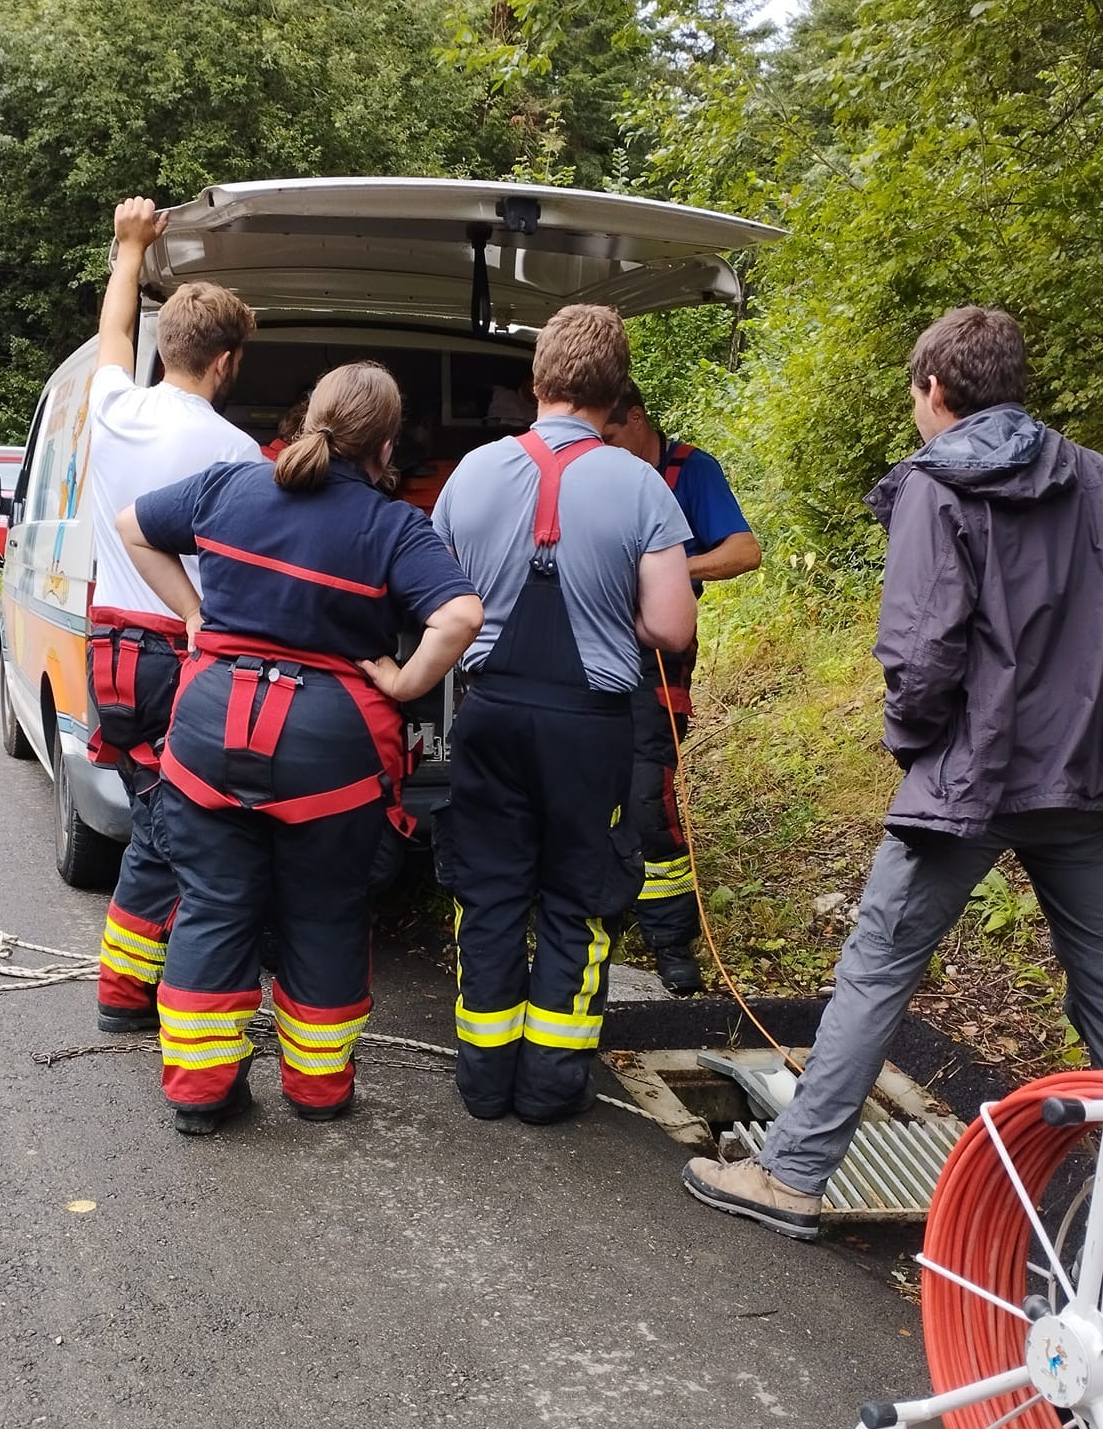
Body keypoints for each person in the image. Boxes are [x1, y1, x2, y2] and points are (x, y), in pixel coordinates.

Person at [684, 306, 1103, 1243]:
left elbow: (920, 651)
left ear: (934, 389)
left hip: (972, 781)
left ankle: (791, 1173)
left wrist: (920, 745)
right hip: (1088, 777)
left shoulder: (937, 487)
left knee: (877, 971)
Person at [114, 363, 482, 1136]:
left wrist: (194, 616)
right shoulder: (392, 527)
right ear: (386, 445)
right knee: (323, 913)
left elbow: (131, 528)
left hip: (210, 733)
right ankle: (318, 1093)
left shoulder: (230, 487)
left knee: (214, 906)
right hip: (330, 751)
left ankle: (199, 1095)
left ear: (310, 418)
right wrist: (404, 679)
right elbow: (458, 616)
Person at [430, 305, 698, 1125]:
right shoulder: (639, 482)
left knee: (489, 889)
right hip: (590, 725)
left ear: (537, 381)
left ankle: (484, 1081)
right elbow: (670, 628)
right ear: (615, 395)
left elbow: (438, 603)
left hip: (491, 714)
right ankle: (550, 1087)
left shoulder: (470, 474)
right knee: (579, 897)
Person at [84, 196, 260, 1032]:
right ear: (224, 361)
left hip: (109, 652)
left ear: (168, 348)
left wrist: (129, 249)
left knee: (155, 821)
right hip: (180, 659)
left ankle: (125, 992)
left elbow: (114, 333)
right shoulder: (234, 454)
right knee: (187, 836)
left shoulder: (115, 408)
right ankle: (164, 995)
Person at [604, 380, 761, 993]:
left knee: (650, 796)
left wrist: (673, 568)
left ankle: (670, 938)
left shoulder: (690, 470)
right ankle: (600, 917)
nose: (606, 446)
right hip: (591, 652)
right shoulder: (596, 469)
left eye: (614, 434)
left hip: (657, 660)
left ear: (638, 418)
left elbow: (744, 551)